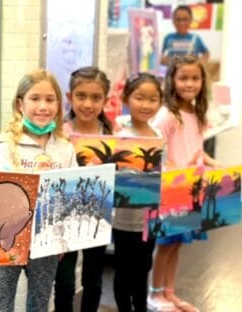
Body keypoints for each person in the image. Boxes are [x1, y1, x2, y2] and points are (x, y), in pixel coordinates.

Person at [0, 69, 77, 312]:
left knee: (39, 302)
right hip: (8, 238)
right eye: (35, 98)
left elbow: (72, 198)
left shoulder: (65, 149)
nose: (43, 106)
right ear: (20, 104)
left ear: (59, 105)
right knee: (2, 304)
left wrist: (63, 238)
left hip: (46, 241)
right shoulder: (4, 146)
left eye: (50, 99)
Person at [148, 55, 220, 312]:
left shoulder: (197, 113)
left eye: (195, 78)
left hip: (193, 187)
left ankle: (170, 292)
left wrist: (213, 163)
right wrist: (178, 172)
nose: (190, 84)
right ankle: (155, 294)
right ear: (172, 80)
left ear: (203, 81)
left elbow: (197, 148)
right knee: (166, 243)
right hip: (172, 188)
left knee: (178, 243)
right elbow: (155, 153)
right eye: (184, 78)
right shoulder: (168, 115)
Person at [53, 66, 112, 312]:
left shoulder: (112, 136)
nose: (88, 104)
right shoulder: (59, 134)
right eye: (81, 96)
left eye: (96, 97)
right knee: (65, 281)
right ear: (69, 97)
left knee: (93, 278)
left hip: (98, 219)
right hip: (65, 220)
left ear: (105, 100)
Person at [113, 72, 163, 312]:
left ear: (160, 103)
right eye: (139, 98)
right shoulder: (118, 135)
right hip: (123, 220)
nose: (146, 105)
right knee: (123, 272)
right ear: (126, 99)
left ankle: (141, 307)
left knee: (143, 268)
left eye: (153, 99)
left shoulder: (158, 136)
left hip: (150, 220)